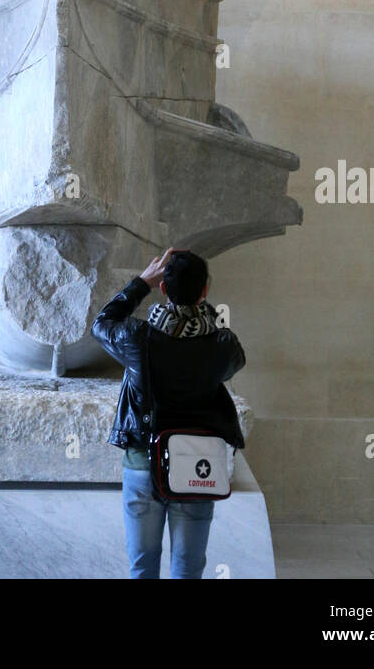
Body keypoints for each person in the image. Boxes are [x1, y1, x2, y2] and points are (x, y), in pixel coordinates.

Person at [91, 246, 246, 580]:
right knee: (188, 570)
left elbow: (101, 324)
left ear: (163, 288)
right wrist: (201, 308)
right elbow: (237, 357)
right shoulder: (220, 345)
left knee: (142, 568)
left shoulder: (137, 337)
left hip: (143, 464)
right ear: (205, 291)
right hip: (197, 466)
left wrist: (140, 284)